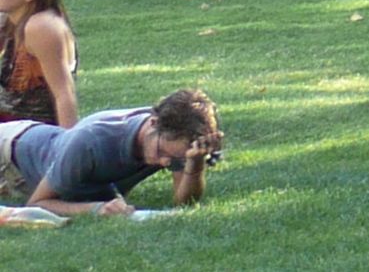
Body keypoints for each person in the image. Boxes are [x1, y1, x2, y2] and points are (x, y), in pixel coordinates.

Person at [0, 87, 219, 214]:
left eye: (174, 160)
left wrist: (195, 164)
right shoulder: (92, 140)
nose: (164, 163)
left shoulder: (175, 139)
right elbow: (37, 204)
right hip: (10, 151)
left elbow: (185, 203)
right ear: (153, 123)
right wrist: (96, 209)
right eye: (162, 152)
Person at [0, 0, 80, 128]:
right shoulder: (12, 18)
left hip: (33, 130)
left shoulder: (42, 26)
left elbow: (63, 92)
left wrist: (67, 146)